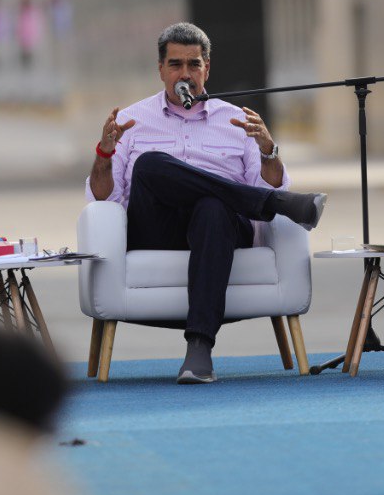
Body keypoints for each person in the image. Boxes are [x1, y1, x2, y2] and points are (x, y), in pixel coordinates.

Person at [87, 22, 326, 384]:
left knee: (212, 208)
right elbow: (103, 198)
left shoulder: (237, 120)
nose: (185, 74)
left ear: (207, 69)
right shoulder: (130, 121)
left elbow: (268, 178)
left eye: (193, 65)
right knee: (150, 165)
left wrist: (268, 150)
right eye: (175, 64)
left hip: (220, 231)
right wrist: (105, 153)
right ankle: (280, 203)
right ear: (161, 70)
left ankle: (199, 349)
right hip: (157, 230)